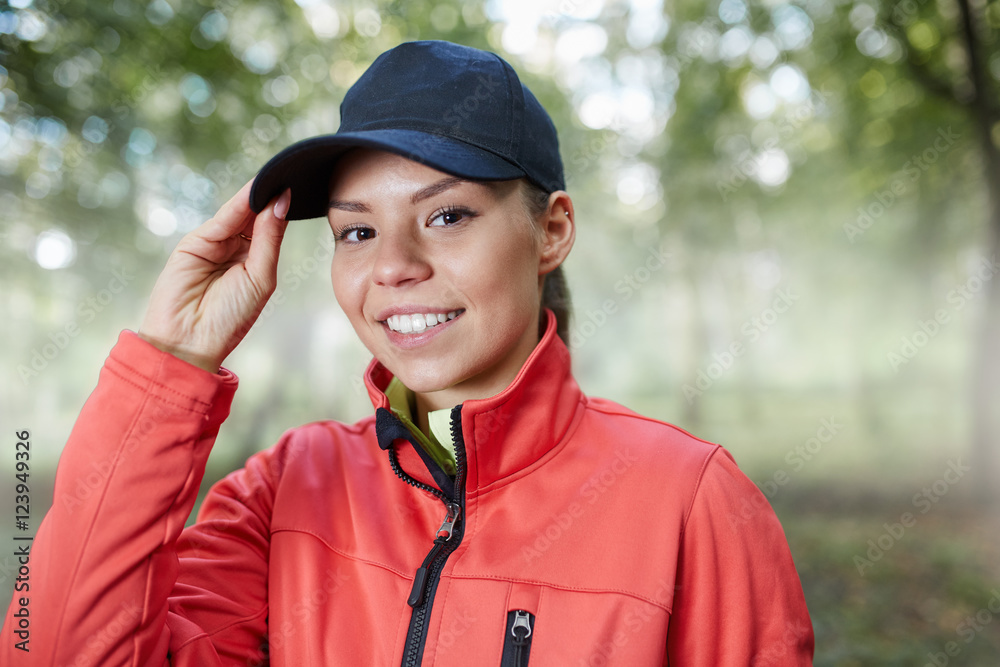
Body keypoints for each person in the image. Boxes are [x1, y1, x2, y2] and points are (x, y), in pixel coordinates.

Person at [1, 41, 813, 666]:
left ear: (552, 230)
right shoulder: (285, 491)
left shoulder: (691, 501)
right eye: (357, 230)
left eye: (447, 215)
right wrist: (167, 366)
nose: (393, 265)